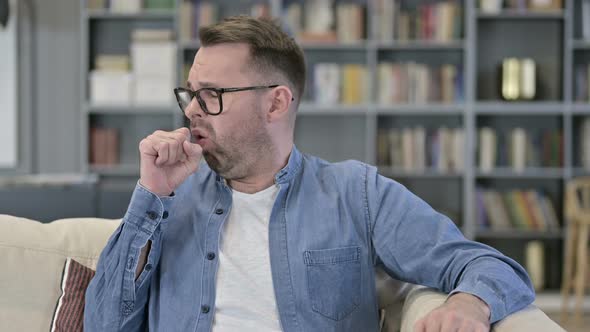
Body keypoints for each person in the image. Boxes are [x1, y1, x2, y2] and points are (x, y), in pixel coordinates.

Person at [84, 15, 534, 332]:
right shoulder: (167, 199)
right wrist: (151, 195)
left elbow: (487, 264)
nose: (192, 110)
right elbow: (103, 324)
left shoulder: (355, 194)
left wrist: (471, 303)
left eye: (212, 94)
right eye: (190, 94)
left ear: (276, 103)